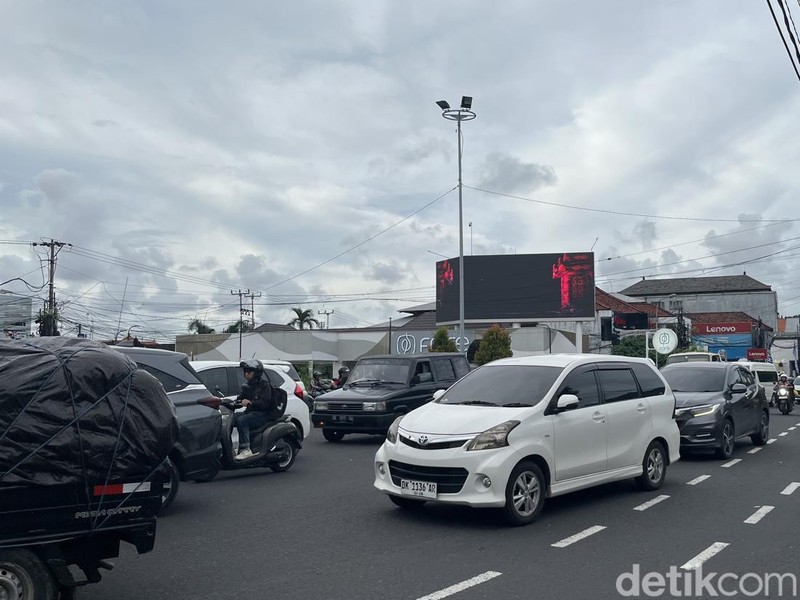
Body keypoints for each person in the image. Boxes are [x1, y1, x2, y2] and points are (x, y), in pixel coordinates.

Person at [234, 359, 278, 460]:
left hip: (262, 414)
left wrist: (251, 402)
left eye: (249, 372)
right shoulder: (248, 385)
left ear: (257, 373)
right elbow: (241, 398)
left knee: (242, 421)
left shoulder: (264, 385)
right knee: (232, 418)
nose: (246, 374)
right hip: (251, 413)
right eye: (245, 372)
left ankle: (246, 449)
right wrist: (229, 402)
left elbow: (265, 403)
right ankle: (234, 447)